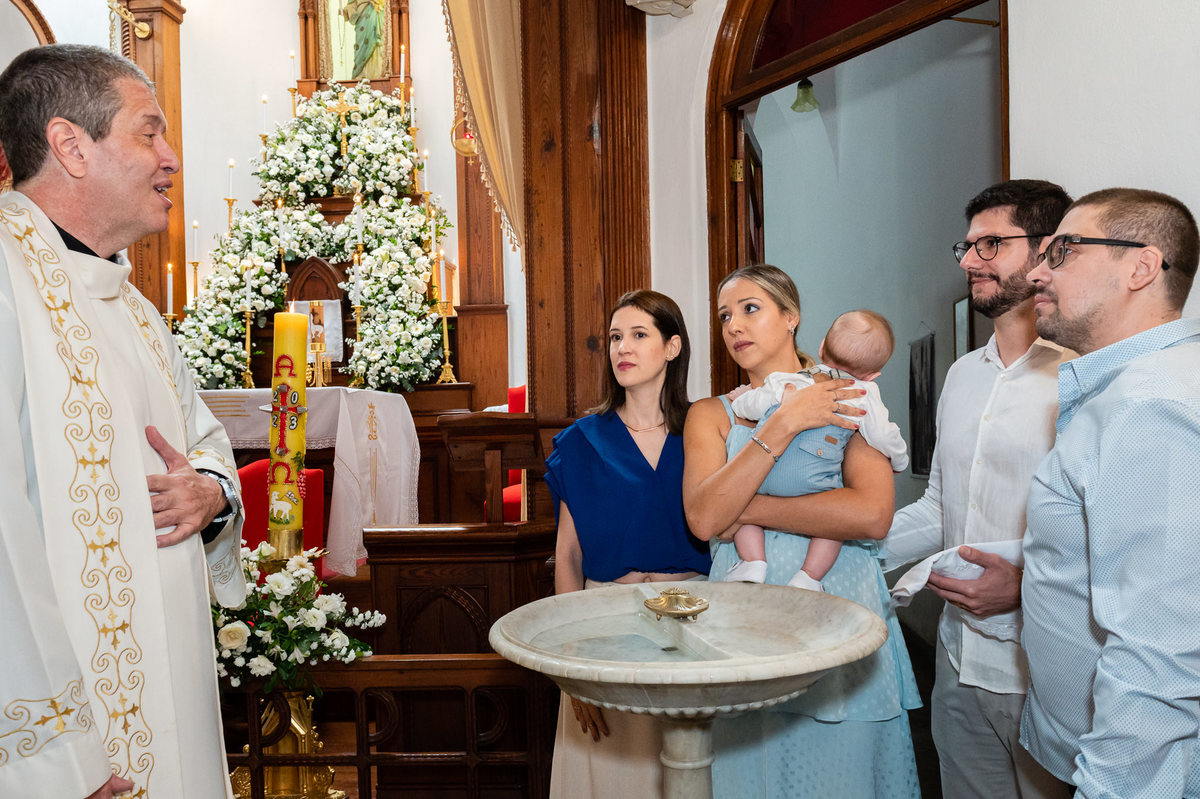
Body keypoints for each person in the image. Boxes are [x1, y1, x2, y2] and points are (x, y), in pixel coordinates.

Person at [0, 45, 246, 798]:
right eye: (150, 132)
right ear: (70, 145)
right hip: (69, 750)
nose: (171, 158)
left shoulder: (138, 313)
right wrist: (57, 762)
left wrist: (209, 493)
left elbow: (202, 445)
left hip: (174, 700)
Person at [684, 264, 921, 798]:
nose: (733, 327)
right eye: (725, 315)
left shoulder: (847, 396)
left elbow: (870, 515)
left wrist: (745, 508)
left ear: (791, 317)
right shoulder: (710, 415)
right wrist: (786, 421)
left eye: (751, 309)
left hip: (842, 607)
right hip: (745, 620)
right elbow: (703, 519)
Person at [882, 179, 1074, 799]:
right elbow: (941, 508)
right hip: (957, 664)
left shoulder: (1082, 373)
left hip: (1046, 672)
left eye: (991, 244)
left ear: (1048, 250)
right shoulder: (962, 376)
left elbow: (1109, 526)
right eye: (966, 247)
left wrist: (1024, 585)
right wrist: (849, 550)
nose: (969, 261)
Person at [1021, 188, 1200, 797]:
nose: (1036, 271)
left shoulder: (1151, 406)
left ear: (1141, 267)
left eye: (1061, 251)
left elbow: (1160, 654)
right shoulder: (1127, 391)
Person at [544, 289, 709, 798]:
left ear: (673, 347)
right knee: (613, 778)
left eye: (639, 335)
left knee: (687, 772)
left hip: (694, 627)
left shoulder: (705, 432)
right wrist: (572, 670)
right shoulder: (581, 440)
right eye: (616, 337)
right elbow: (568, 557)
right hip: (605, 629)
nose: (622, 347)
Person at [725, 308, 908, 589]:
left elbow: (752, 404)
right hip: (813, 484)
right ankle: (809, 577)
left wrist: (739, 400)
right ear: (873, 375)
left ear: (822, 348)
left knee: (747, 505)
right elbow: (884, 436)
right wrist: (899, 461)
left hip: (768, 473)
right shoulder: (864, 394)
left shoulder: (789, 380)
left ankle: (752, 562)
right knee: (834, 522)